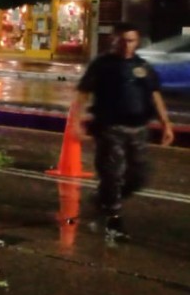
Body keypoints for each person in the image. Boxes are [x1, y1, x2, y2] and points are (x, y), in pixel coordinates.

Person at [70, 23, 175, 237]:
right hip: (110, 128)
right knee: (112, 174)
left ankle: (104, 198)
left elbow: (154, 94)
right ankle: (113, 218)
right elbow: (83, 93)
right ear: (113, 40)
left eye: (130, 40)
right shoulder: (102, 65)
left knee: (139, 176)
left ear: (137, 42)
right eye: (122, 40)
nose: (126, 45)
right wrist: (76, 121)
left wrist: (166, 123)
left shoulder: (142, 66)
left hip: (139, 129)